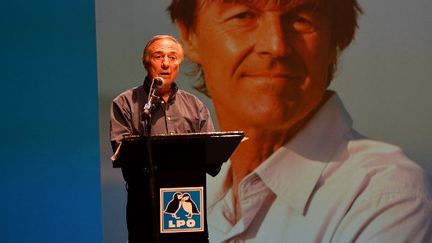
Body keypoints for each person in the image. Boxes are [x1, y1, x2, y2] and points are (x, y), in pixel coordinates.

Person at [167, 1, 432, 242]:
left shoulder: (382, 198)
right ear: (189, 37)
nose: (276, 45)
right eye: (243, 16)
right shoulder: (187, 188)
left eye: (302, 18)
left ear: (334, 40)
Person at [110, 35, 215, 242]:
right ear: (145, 62)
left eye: (173, 57)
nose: (166, 63)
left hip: (190, 209)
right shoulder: (125, 104)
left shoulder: (195, 106)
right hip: (145, 206)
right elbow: (124, 155)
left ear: (179, 64)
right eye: (159, 56)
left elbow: (212, 160)